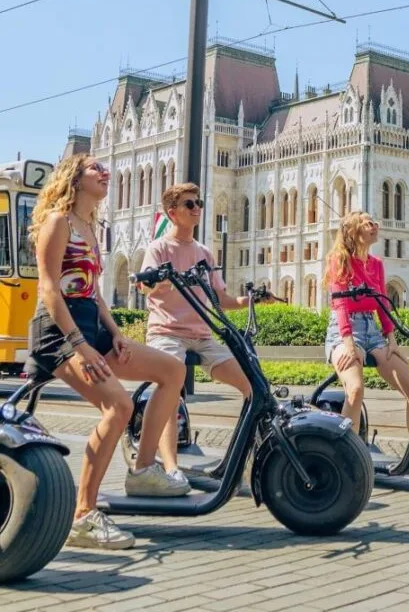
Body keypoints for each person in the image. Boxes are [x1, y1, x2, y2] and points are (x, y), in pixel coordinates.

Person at [27, 154, 189, 551]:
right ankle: (83, 515)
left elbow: (95, 293)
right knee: (119, 406)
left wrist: (115, 334)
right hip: (58, 333)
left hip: (92, 327)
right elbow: (50, 289)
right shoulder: (58, 222)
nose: (104, 173)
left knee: (172, 371)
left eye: (104, 169)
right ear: (74, 178)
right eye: (94, 168)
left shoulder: (90, 227)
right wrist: (80, 346)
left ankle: (143, 470)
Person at [139, 182, 258, 482]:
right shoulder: (159, 248)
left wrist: (250, 301)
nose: (197, 209)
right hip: (166, 332)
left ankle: (247, 455)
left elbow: (220, 299)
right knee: (171, 389)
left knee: (251, 385)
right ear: (172, 213)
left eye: (199, 203)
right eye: (190, 204)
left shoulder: (204, 253)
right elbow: (144, 286)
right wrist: (161, 279)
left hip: (202, 336)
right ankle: (171, 467)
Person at [324, 211, 409, 434]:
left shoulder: (376, 264)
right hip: (344, 331)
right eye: (369, 223)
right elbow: (340, 305)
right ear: (354, 231)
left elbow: (382, 302)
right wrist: (349, 344)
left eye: (375, 223)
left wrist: (391, 340)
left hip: (372, 330)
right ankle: (349, 451)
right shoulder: (340, 259)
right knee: (355, 390)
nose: (375, 226)